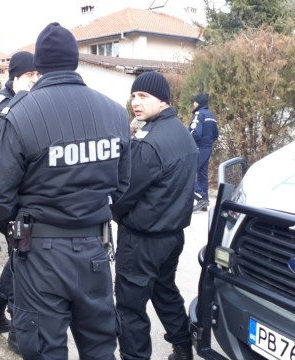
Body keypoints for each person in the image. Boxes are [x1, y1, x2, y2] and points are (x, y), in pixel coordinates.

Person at [0, 23, 131, 359]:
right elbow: (121, 188)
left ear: (40, 67)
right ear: (75, 61)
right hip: (94, 249)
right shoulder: (115, 113)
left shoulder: (21, 114)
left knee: (46, 349)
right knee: (100, 346)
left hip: (40, 253)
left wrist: (20, 225)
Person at [110, 71, 198, 360]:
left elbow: (123, 193)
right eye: (134, 95)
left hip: (142, 240)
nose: (136, 101)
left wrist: (114, 214)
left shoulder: (151, 142)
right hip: (171, 236)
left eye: (143, 96)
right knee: (164, 291)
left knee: (130, 307)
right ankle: (183, 347)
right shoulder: (180, 132)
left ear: (162, 100)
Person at [0, 51, 40, 355]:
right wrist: (23, 97)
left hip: (22, 198)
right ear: (14, 77)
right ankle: (13, 326)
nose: (35, 80)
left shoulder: (33, 103)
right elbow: (2, 130)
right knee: (25, 254)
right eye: (30, 75)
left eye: (38, 75)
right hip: (1, 200)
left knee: (22, 252)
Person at [189, 93, 219, 212]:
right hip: (207, 148)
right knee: (202, 175)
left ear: (199, 102)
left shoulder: (199, 114)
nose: (193, 103)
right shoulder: (211, 115)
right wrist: (208, 143)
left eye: (195, 101)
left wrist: (187, 139)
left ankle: (201, 197)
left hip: (198, 148)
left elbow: (195, 133)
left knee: (188, 173)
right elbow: (216, 134)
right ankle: (204, 202)